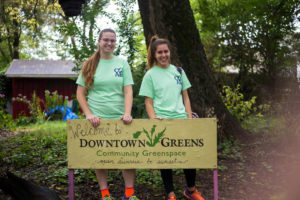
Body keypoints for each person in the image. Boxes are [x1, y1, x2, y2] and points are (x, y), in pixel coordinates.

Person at [139, 35, 205, 200]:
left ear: (170, 52)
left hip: (181, 120)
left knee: (188, 156)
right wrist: (153, 119)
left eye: (166, 51)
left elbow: (186, 97)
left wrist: (189, 117)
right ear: (154, 54)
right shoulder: (150, 75)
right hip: (162, 121)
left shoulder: (179, 71)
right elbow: (148, 101)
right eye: (159, 52)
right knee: (165, 159)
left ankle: (191, 190)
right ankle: (170, 193)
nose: (163, 55)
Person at [76, 28, 139, 200]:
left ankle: (129, 194)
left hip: (121, 119)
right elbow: (80, 93)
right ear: (99, 41)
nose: (109, 43)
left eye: (112, 40)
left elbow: (128, 91)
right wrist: (89, 115)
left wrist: (127, 113)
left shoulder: (122, 63)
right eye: (106, 40)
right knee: (101, 157)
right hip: (98, 119)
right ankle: (105, 194)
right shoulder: (89, 64)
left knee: (128, 156)